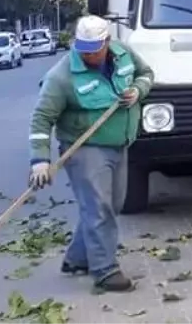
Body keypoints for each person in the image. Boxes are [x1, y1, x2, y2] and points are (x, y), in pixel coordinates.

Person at [27, 16, 155, 292]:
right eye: (83, 48)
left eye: (94, 49)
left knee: (114, 205)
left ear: (107, 43)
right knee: (99, 209)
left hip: (120, 143)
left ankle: (77, 258)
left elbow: (146, 75)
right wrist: (40, 160)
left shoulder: (123, 54)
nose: (88, 55)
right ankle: (105, 270)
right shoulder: (61, 77)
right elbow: (41, 119)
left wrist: (137, 91)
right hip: (85, 149)